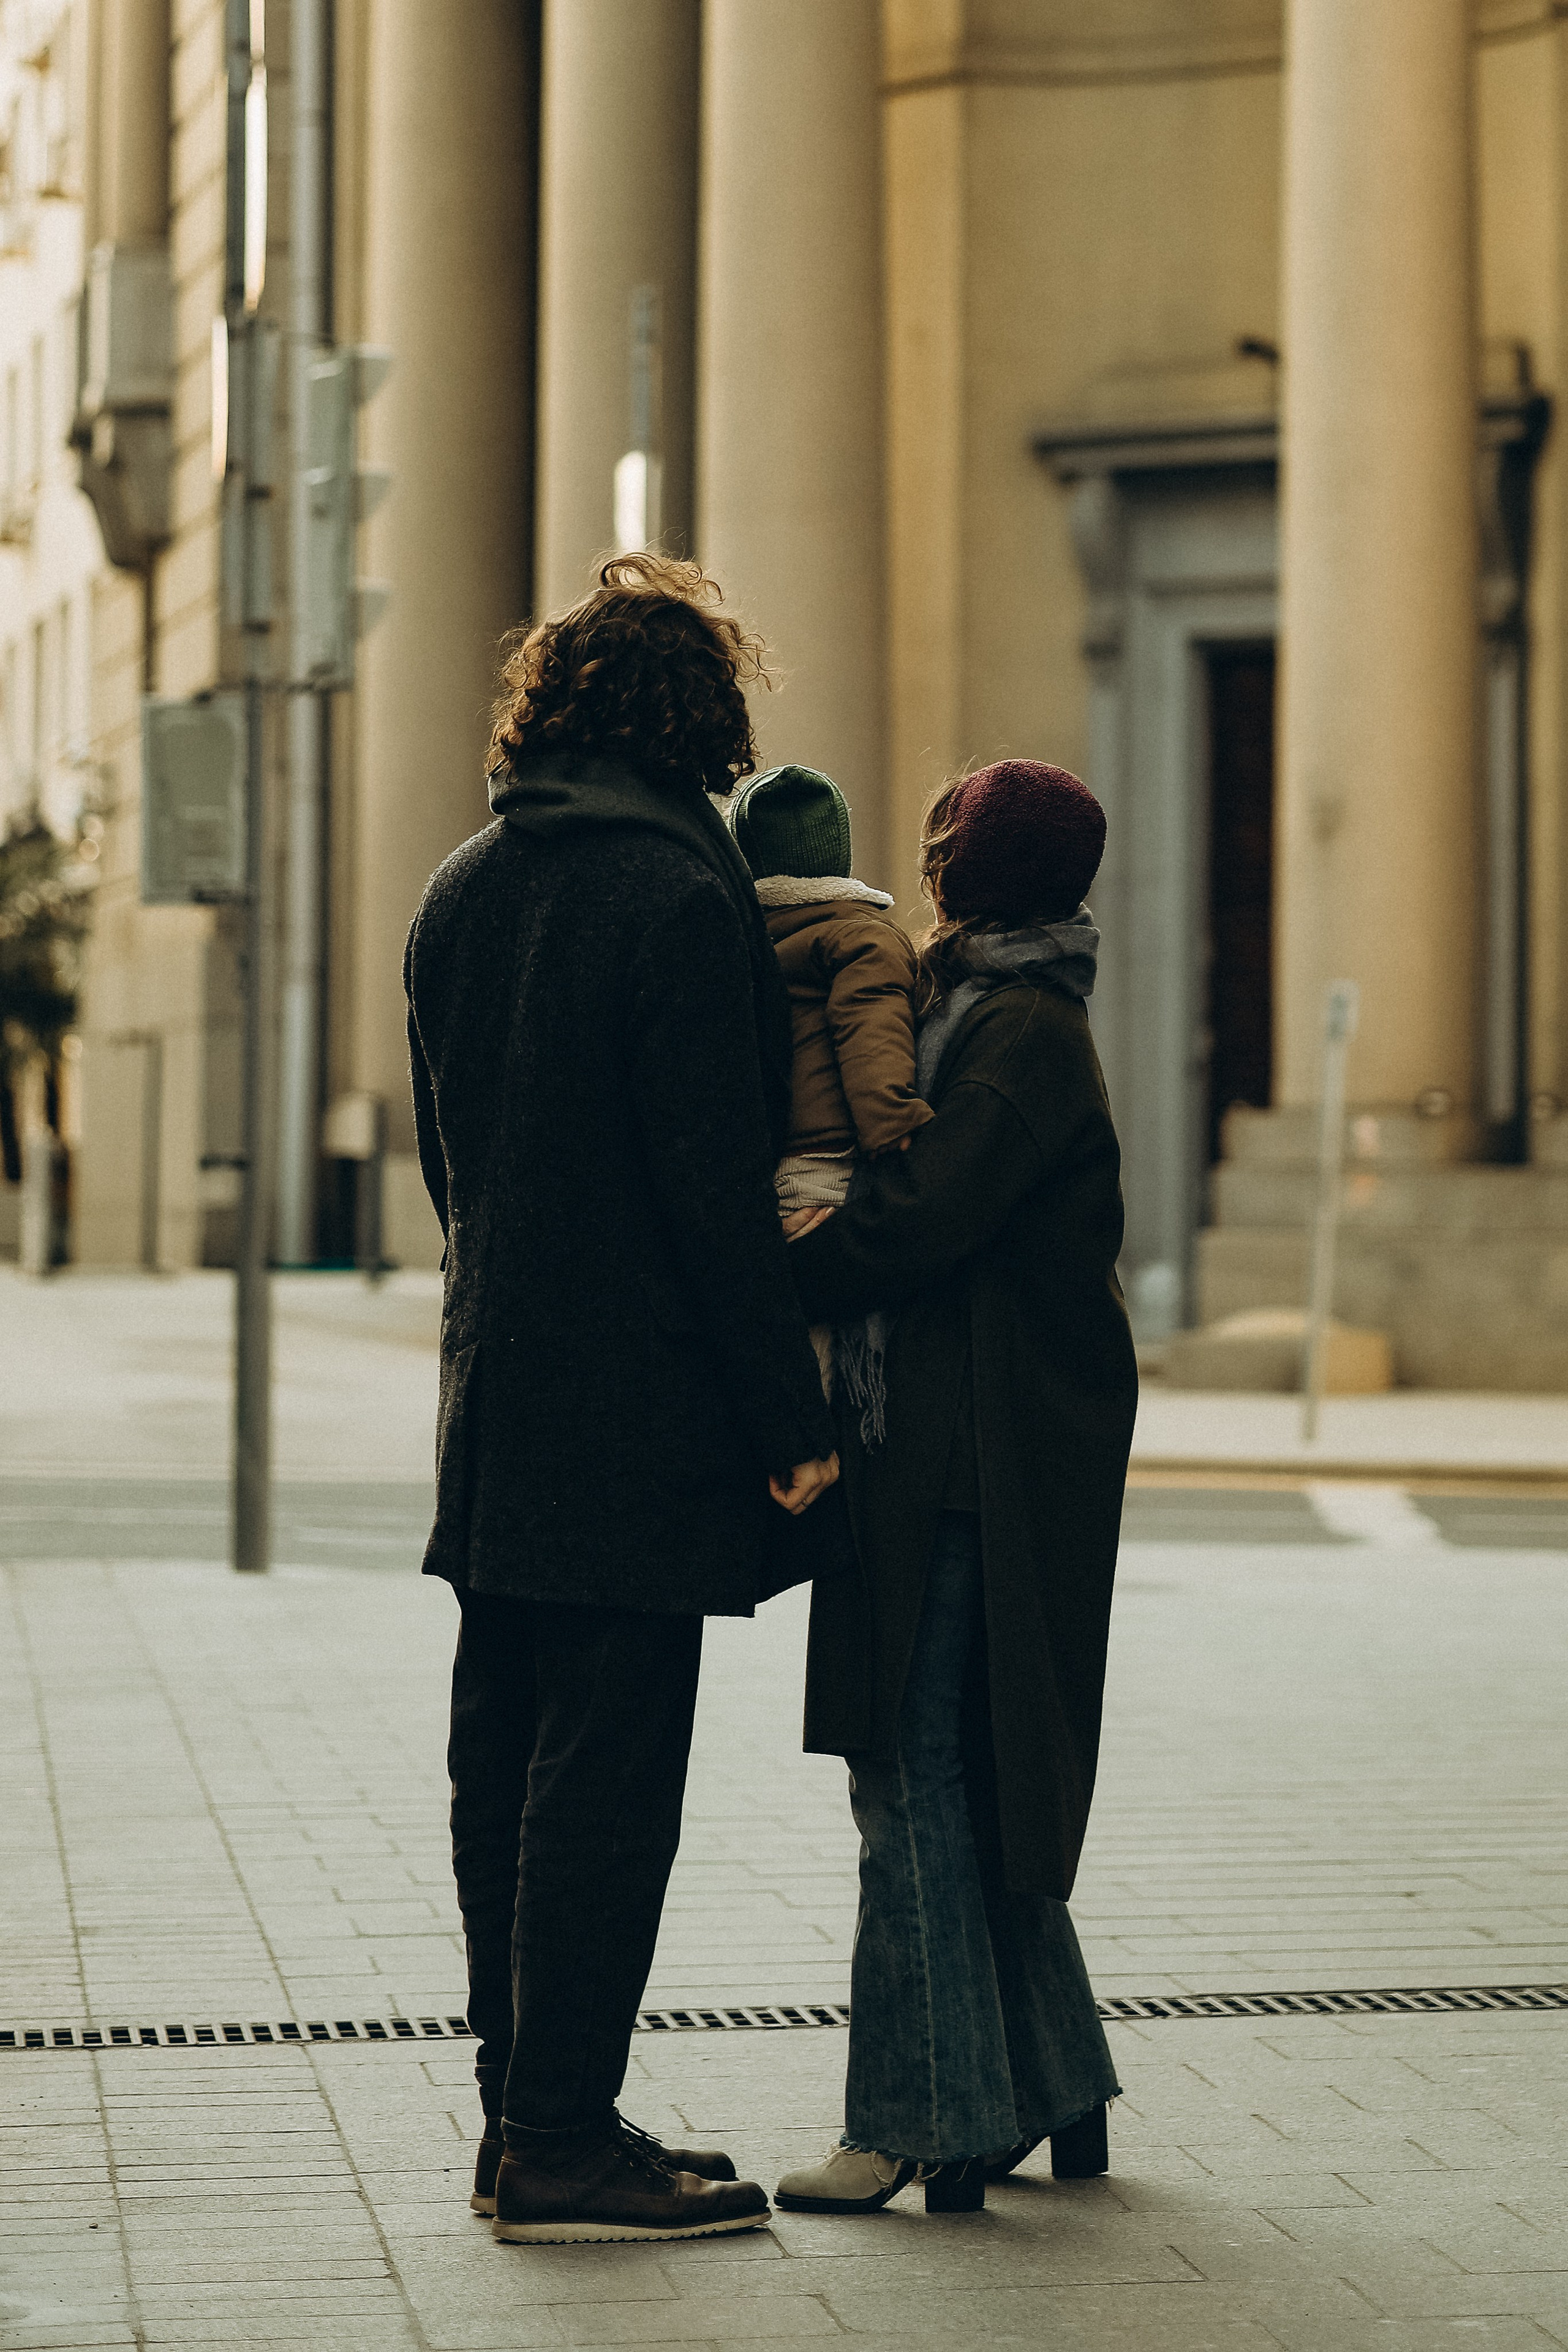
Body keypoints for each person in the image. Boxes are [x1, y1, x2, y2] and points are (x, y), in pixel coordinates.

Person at [403, 553, 839, 2246]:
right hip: (639, 1412)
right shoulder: (677, 896)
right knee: (606, 1778)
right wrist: (790, 1422)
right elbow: (710, 1190)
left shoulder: (463, 887)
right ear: (701, 721)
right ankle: (570, 2140)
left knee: (497, 1764)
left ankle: (525, 2121)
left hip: (497, 1390)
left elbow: (458, 1166)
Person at [774, 758, 1137, 2216]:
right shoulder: (982, 1005)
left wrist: (771, 1261)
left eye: (948, 845)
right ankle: (1044, 2079)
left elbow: (918, 1217)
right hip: (965, 1442)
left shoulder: (1014, 1028)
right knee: (968, 1766)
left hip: (963, 1457)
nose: (929, 866)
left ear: (977, 872)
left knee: (907, 1768)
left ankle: (919, 2112)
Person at [728, 762, 932, 1387]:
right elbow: (868, 1024)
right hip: (828, 1172)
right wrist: (892, 1120)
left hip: (766, 1171)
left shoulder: (741, 938)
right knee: (825, 1359)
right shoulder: (859, 936)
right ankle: (814, 1463)